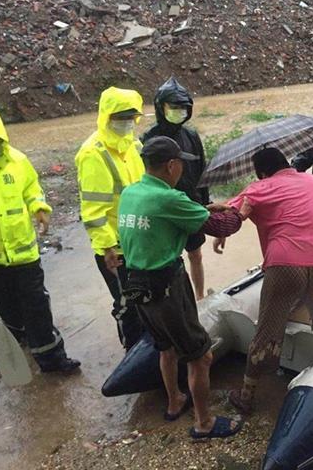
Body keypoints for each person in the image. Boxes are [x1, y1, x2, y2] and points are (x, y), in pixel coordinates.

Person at [118, 136, 246, 438]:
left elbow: (166, 216)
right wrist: (241, 210)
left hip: (136, 285)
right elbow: (223, 227)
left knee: (165, 346)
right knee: (200, 355)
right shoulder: (170, 199)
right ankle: (204, 423)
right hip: (166, 287)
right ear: (172, 166)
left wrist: (204, 207)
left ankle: (175, 400)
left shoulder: (131, 193)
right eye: (180, 165)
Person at [0, 107, 80, 373]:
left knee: (36, 304)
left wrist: (39, 207)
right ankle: (15, 348)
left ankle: (52, 359)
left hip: (22, 250)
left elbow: (31, 188)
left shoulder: (17, 160)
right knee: (4, 308)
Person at [218, 147, 313, 414]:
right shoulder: (312, 180)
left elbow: (228, 216)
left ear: (261, 172)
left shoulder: (259, 188)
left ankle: (246, 395)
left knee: (268, 330)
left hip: (284, 263)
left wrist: (218, 229)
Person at [75, 87, 145, 351]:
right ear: (106, 116)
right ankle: (132, 352)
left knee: (144, 299)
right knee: (127, 304)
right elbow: (93, 210)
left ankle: (148, 350)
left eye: (131, 116)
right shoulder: (93, 153)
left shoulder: (133, 145)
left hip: (138, 237)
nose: (126, 121)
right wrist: (108, 247)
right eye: (121, 116)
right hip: (115, 247)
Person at [141, 77, 210, 300]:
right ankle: (175, 298)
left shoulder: (190, 135)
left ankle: (199, 296)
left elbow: (202, 170)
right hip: (161, 208)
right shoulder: (148, 139)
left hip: (189, 203)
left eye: (183, 108)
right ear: (161, 107)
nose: (179, 111)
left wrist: (205, 202)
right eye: (174, 107)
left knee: (196, 255)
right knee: (168, 259)